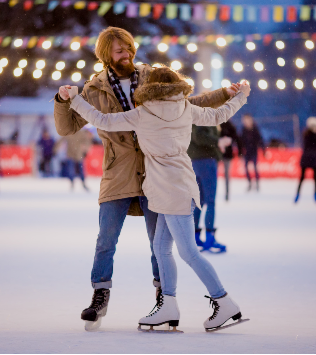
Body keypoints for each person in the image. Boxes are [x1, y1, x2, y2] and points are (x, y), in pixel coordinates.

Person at [53, 26, 244, 330]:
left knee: (172, 249)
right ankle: (123, 297)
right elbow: (68, 128)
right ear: (106, 55)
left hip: (158, 179)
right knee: (121, 242)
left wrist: (224, 94)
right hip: (124, 173)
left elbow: (188, 104)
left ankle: (187, 299)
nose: (127, 53)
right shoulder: (96, 89)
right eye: (120, 50)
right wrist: (65, 101)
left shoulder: (149, 85)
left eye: (129, 47)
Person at [189, 122, 226, 253]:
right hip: (206, 161)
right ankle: (209, 238)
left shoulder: (194, 111)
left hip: (195, 160)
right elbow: (199, 136)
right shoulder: (204, 114)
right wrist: (218, 141)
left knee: (199, 201)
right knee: (210, 201)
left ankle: (195, 237)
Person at [295, 117, 316, 203]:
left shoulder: (306, 135)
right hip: (312, 158)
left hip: (306, 158)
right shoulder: (314, 136)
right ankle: (314, 195)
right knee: (314, 178)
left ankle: (298, 194)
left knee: (303, 178)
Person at [239, 114, 265, 192]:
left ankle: (257, 183)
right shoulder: (243, 130)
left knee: (255, 168)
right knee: (246, 168)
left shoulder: (255, 129)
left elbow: (260, 140)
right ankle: (250, 183)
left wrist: (263, 150)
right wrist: (240, 152)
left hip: (253, 151)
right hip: (246, 152)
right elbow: (241, 142)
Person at [218, 120, 241, 201]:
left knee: (226, 176)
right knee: (218, 175)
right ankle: (213, 194)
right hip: (218, 155)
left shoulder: (230, 126)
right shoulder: (218, 124)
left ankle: (226, 194)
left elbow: (237, 139)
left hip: (225, 155)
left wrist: (240, 153)